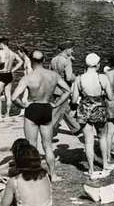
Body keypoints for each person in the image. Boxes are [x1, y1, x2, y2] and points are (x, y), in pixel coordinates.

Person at [12, 50, 70, 182]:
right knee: (48, 145)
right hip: (46, 108)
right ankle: (53, 175)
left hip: (32, 109)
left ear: (31, 61)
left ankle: (34, 174)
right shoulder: (53, 75)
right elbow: (67, 91)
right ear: (44, 60)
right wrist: (56, 104)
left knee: (32, 145)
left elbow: (14, 97)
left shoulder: (28, 77)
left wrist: (23, 105)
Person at [71, 53, 114, 180]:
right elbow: (111, 97)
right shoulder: (102, 77)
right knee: (102, 137)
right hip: (99, 108)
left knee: (88, 140)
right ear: (98, 65)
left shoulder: (79, 79)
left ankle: (90, 169)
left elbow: (74, 100)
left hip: (84, 108)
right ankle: (105, 164)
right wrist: (101, 93)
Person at [50, 42, 80, 134]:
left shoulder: (53, 59)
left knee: (65, 109)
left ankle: (76, 128)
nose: (72, 51)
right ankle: (48, 129)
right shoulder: (66, 61)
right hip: (64, 89)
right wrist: (76, 77)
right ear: (66, 50)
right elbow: (69, 77)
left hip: (55, 87)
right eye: (71, 49)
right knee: (57, 112)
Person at [0, 37, 23, 120]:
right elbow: (21, 61)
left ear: (2, 44)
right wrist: (13, 69)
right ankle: (7, 114)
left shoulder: (2, 51)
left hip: (1, 74)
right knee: (8, 95)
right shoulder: (12, 53)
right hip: (9, 74)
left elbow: (3, 61)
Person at [17, 47, 32, 115]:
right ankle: (23, 111)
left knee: (25, 96)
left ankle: (23, 112)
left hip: (29, 81)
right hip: (27, 80)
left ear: (23, 53)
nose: (19, 55)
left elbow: (30, 71)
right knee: (25, 96)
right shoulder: (26, 60)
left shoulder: (28, 60)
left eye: (19, 53)